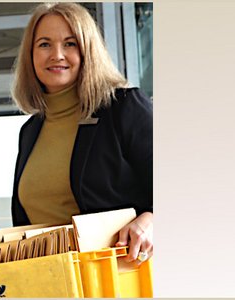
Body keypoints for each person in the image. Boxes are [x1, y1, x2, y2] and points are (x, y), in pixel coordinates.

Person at [10, 2, 153, 264]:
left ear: (88, 50)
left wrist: (149, 222)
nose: (57, 54)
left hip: (119, 277)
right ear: (30, 55)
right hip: (53, 282)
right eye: (44, 44)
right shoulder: (30, 132)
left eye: (70, 43)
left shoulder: (123, 108)